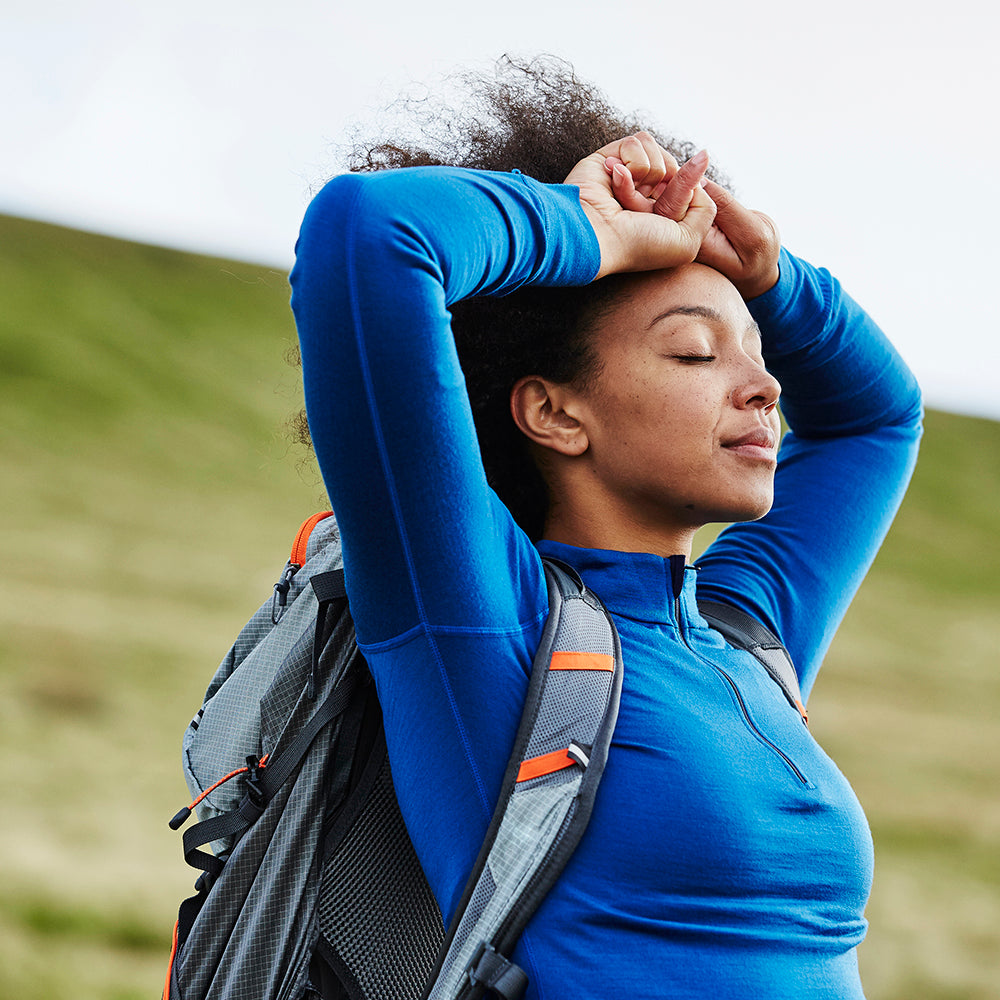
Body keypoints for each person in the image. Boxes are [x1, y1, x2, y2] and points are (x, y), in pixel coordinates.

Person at [290, 58, 922, 999]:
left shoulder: (746, 641)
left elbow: (879, 418)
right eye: (695, 351)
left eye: (758, 352)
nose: (764, 385)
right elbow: (370, 235)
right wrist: (585, 232)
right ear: (553, 413)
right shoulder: (482, 625)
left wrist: (776, 281)